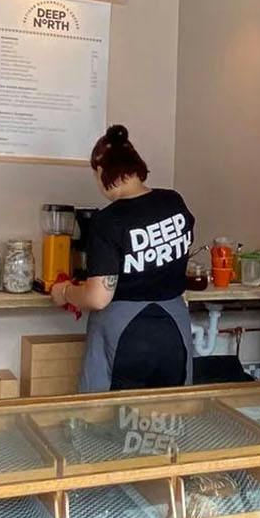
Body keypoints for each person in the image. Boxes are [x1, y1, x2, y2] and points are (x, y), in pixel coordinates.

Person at [51, 124, 195, 391]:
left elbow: (98, 297)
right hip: (174, 328)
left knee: (114, 413)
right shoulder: (173, 202)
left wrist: (65, 292)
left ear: (101, 171)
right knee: (169, 408)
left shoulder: (109, 220)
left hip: (126, 335)